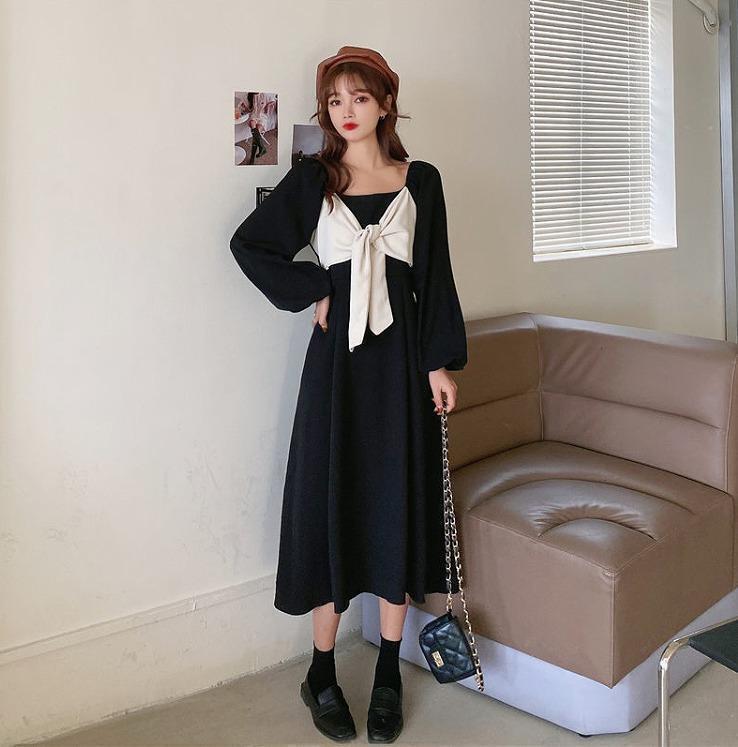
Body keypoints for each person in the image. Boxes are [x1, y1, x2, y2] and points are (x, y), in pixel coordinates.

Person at [229, 45, 467, 744]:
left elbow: (435, 277)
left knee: (394, 502)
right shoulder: (314, 180)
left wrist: (439, 365)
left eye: (360, 98)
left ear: (386, 103)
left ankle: (389, 670)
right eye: (335, 101)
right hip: (336, 370)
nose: (346, 112)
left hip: (401, 369)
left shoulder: (422, 181)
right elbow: (250, 245)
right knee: (330, 500)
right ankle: (321, 671)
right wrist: (316, 286)